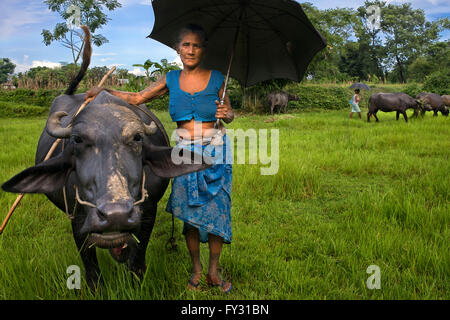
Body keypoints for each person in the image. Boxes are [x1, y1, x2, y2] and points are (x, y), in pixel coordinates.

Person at [85, 24, 234, 293]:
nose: (191, 50)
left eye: (196, 45)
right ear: (178, 49)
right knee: (190, 216)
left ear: (203, 49)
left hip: (216, 152)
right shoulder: (171, 79)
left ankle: (213, 272)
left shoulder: (217, 78)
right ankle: (197, 272)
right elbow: (138, 97)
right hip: (184, 152)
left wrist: (227, 113)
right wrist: (104, 92)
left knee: (217, 216)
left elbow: (231, 114)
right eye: (186, 45)